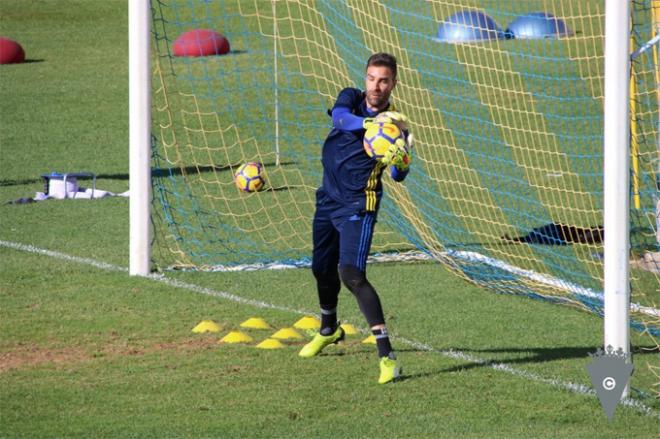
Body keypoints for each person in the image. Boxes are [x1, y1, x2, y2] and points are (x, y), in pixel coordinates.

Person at [298, 52, 412, 384]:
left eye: (384, 80)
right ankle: (328, 328)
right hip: (327, 198)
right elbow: (340, 120)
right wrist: (369, 124)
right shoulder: (350, 98)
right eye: (372, 78)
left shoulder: (396, 125)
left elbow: (397, 174)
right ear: (365, 79)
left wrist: (401, 161)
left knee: (351, 274)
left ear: (393, 83)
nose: (376, 86)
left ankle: (388, 358)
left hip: (358, 205)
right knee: (321, 268)